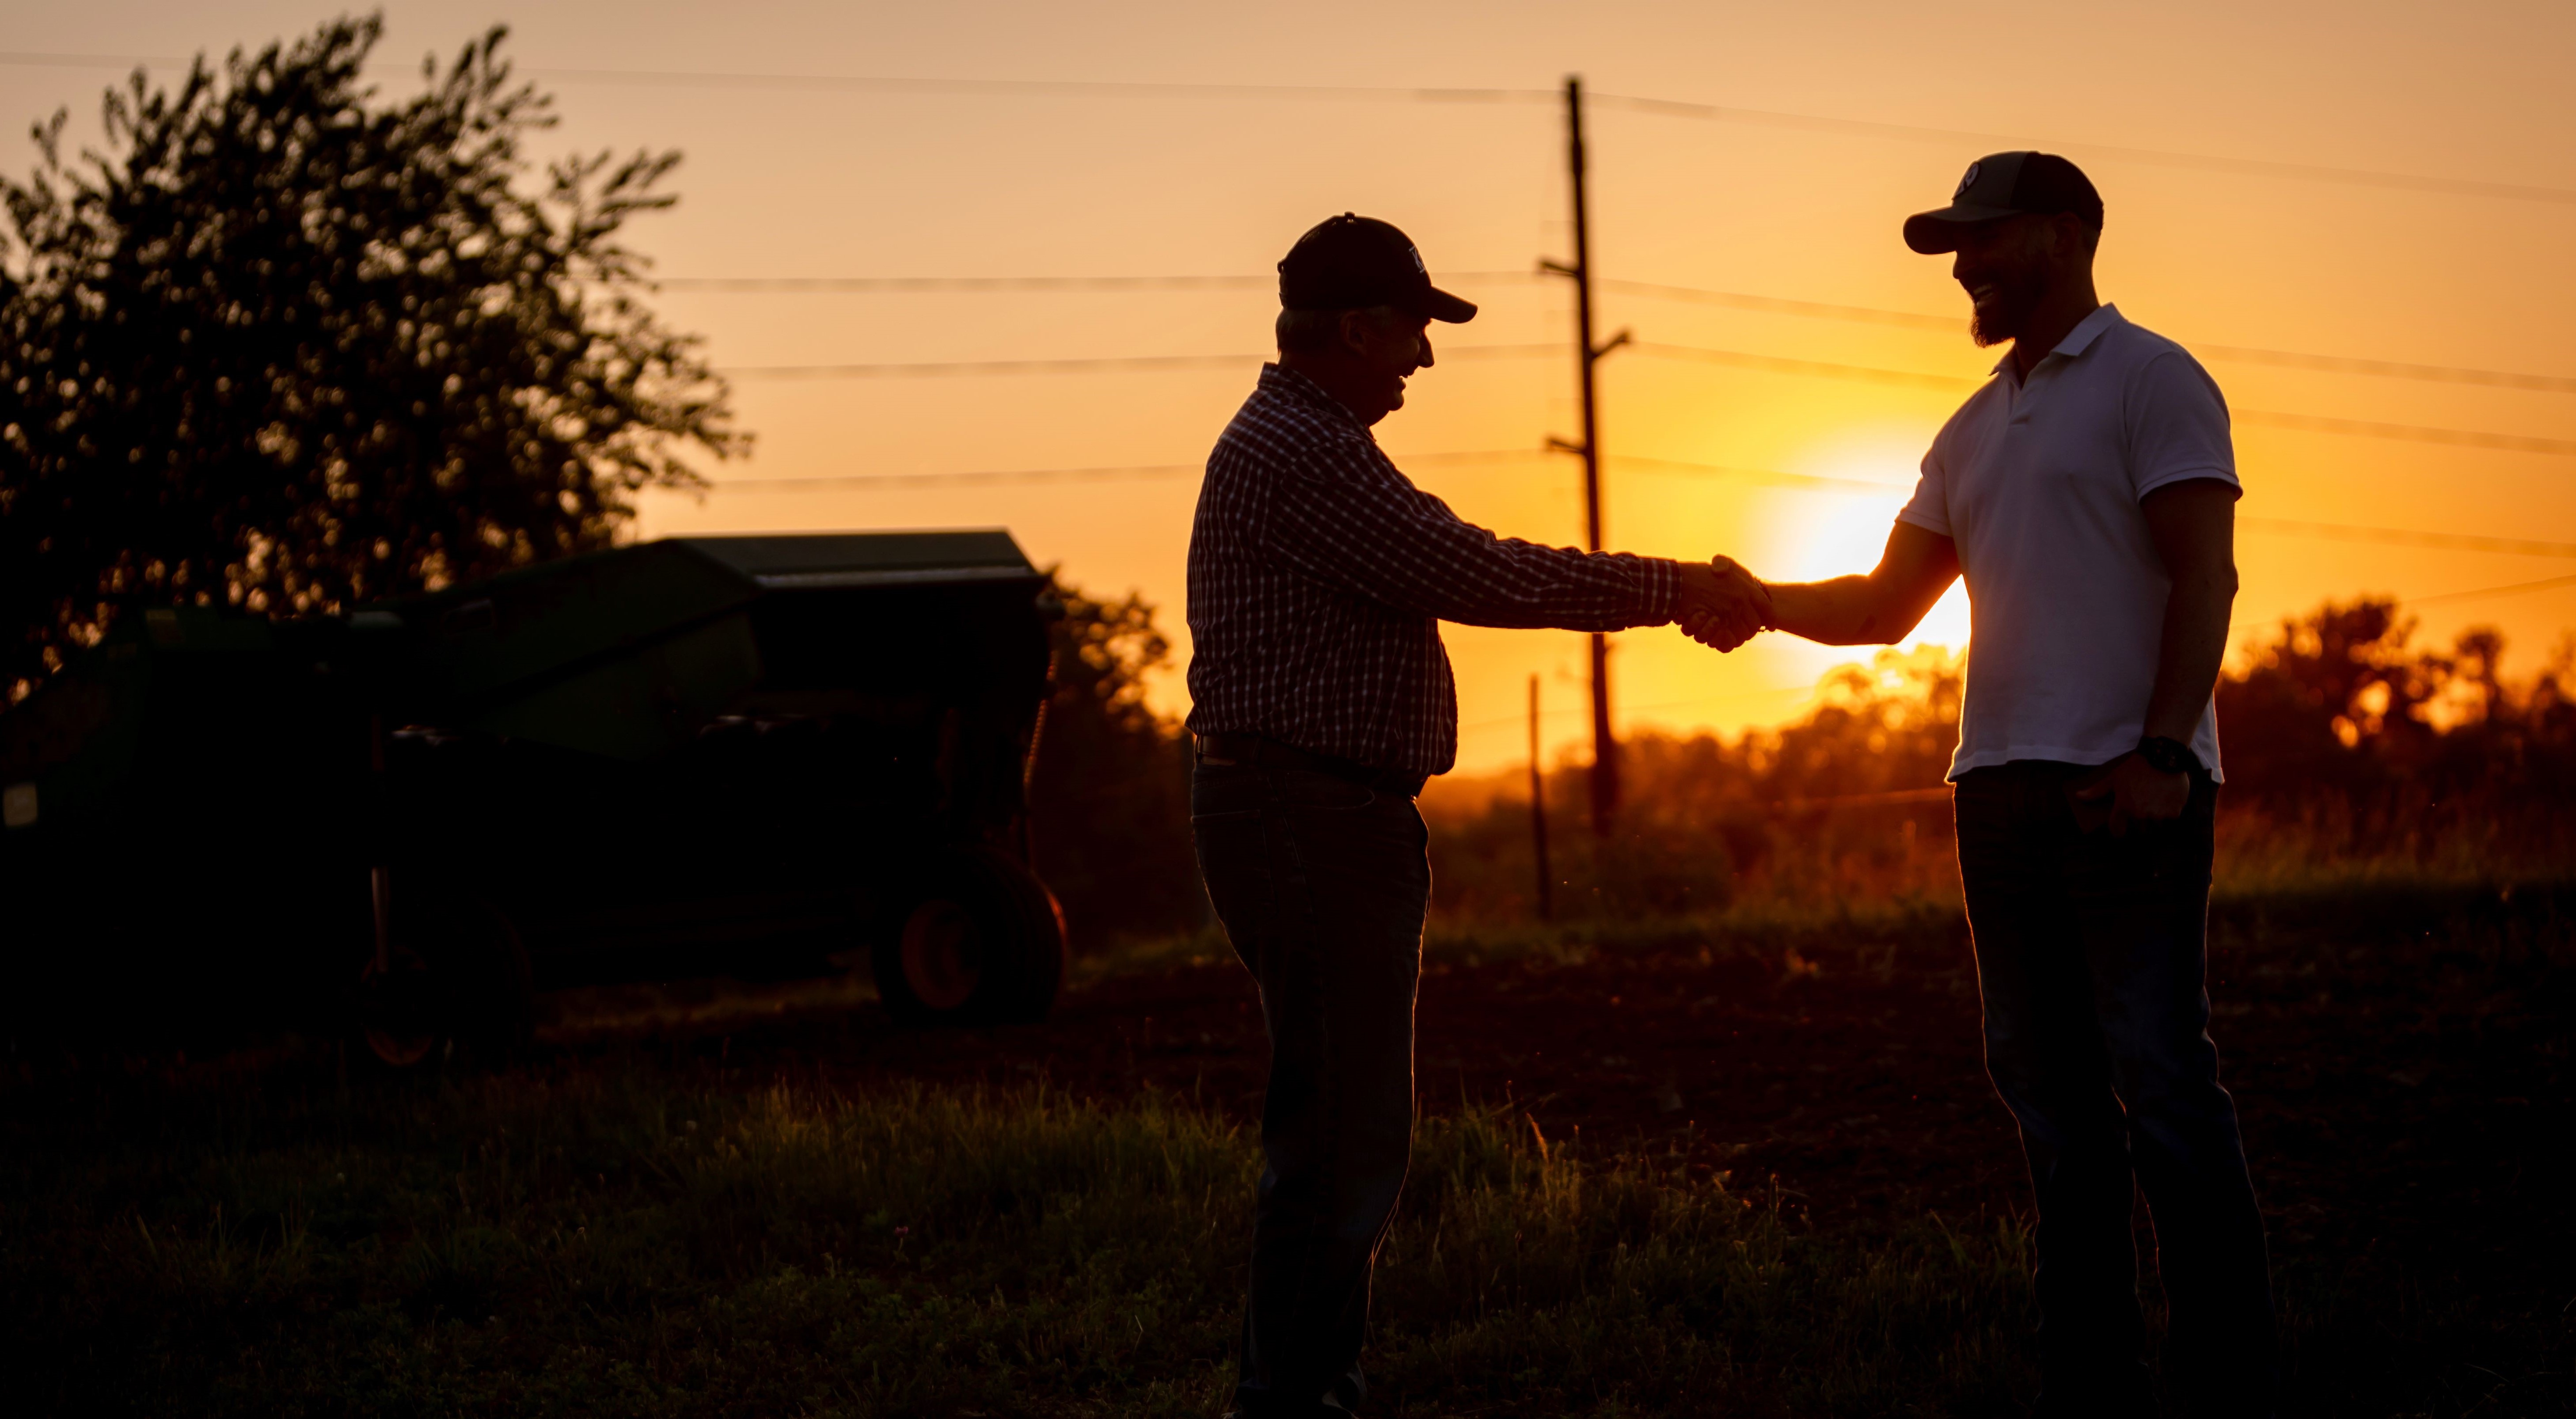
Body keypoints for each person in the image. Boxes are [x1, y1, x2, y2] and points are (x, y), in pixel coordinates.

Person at [1699, 154, 2277, 1415]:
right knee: (2053, 1100)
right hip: (1999, 794)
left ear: (2064, 236)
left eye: (1985, 238)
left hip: (2127, 788)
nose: (1963, 264)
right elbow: (1887, 604)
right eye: (1955, 245)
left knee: (2162, 1081)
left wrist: (2166, 753)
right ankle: (2093, 1367)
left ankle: (2229, 1368)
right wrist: (1759, 601)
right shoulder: (1970, 427)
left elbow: (2207, 576)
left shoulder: (2153, 379)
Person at [1187, 213, 1766, 1418]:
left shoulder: (1309, 441)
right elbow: (1485, 571)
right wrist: (1678, 590)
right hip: (1311, 817)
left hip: (1311, 811)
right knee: (1340, 1135)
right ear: (1356, 329)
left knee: (1336, 1125)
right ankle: (1296, 1404)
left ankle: (1297, 1391)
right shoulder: (1305, 452)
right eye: (1413, 332)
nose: (1423, 359)